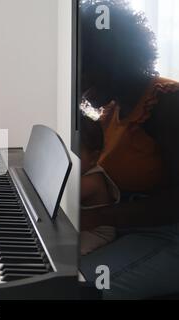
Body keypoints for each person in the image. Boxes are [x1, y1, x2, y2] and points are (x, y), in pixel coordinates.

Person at [79, 0, 179, 299]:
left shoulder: (168, 105)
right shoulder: (113, 109)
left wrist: (94, 217)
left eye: (87, 75)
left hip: (168, 235)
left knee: (76, 288)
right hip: (123, 228)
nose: (82, 87)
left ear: (111, 63)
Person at [80, 114, 119, 255]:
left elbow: (60, 196)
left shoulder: (92, 180)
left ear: (93, 158)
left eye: (73, 152)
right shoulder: (80, 173)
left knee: (63, 253)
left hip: (96, 234)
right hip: (83, 226)